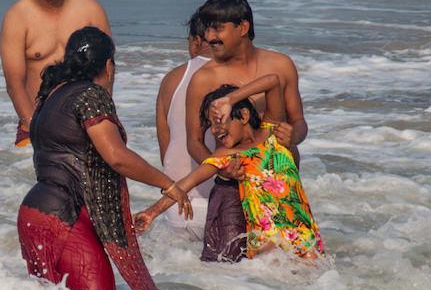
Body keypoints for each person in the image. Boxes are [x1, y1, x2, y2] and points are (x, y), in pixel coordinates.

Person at [18, 27, 190, 290]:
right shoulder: (90, 95)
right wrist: (169, 185)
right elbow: (117, 157)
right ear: (109, 66)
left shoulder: (49, 96)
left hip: (33, 216)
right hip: (67, 217)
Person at [135, 75, 324, 260]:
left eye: (218, 121)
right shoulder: (226, 155)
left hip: (304, 238)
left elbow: (274, 81)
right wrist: (151, 213)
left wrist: (230, 99)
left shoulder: (272, 131)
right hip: (267, 248)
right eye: (210, 125)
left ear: (243, 115)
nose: (214, 130)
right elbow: (186, 183)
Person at [185, 0, 306, 262]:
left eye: (217, 28)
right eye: (206, 29)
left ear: (243, 27)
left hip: (278, 183)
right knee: (229, 268)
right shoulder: (203, 79)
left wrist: (293, 135)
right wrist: (222, 168)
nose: (209, 37)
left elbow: (299, 121)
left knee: (290, 266)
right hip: (234, 187)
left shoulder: (281, 65)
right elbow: (193, 140)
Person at [0, 0, 111, 147]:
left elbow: (107, 72)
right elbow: (14, 84)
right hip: (36, 121)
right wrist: (34, 127)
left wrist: (103, 118)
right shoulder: (16, 18)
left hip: (87, 122)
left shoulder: (90, 10)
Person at [155, 12, 214, 238]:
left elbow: (165, 148)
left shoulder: (171, 79)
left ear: (196, 41)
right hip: (223, 205)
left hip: (177, 205)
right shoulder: (238, 75)